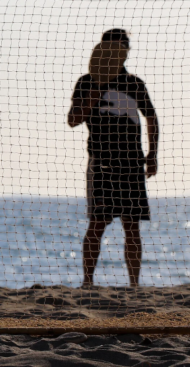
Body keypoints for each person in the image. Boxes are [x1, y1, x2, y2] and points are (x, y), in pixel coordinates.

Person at [68, 29, 159, 288]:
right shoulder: (86, 82)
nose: (119, 50)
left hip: (131, 163)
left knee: (132, 227)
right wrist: (94, 94)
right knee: (97, 224)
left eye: (123, 46)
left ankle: (134, 284)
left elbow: (151, 117)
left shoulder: (134, 83)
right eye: (113, 46)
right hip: (101, 163)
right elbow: (73, 120)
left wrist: (152, 154)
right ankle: (87, 283)